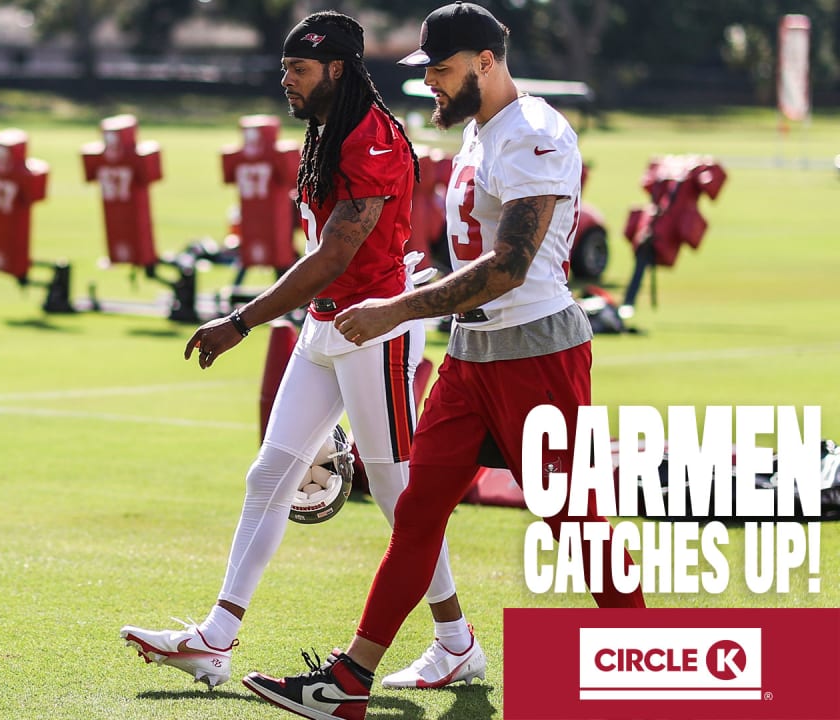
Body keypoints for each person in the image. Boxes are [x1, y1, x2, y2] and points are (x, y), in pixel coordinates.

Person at [243, 3, 647, 718]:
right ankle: (350, 683)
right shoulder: (479, 132)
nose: (428, 82)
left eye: (441, 68)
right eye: (426, 68)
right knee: (418, 514)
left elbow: (511, 266)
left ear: (486, 62)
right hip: (472, 352)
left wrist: (395, 310)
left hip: (534, 354)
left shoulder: (536, 134)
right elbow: (471, 254)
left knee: (575, 525)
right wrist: (418, 284)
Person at [119, 10, 486, 691]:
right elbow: (328, 258)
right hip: (326, 325)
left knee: (399, 495)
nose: (284, 79)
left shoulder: (370, 135)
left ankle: (456, 642)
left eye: (298, 69)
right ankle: (215, 638)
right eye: (285, 67)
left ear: (337, 71)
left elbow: (338, 250)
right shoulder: (330, 128)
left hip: (373, 326)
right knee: (271, 473)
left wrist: (244, 319)